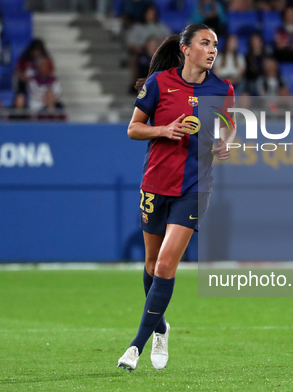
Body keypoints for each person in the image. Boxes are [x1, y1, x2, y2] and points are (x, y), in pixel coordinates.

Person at [117, 24, 235, 373]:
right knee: (152, 265)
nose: (213, 49)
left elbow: (227, 123)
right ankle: (160, 325)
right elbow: (133, 128)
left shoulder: (222, 88)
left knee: (167, 265)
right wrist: (163, 130)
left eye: (215, 44)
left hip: (195, 187)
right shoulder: (159, 84)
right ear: (186, 49)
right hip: (156, 184)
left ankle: (135, 346)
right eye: (205, 43)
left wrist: (224, 141)